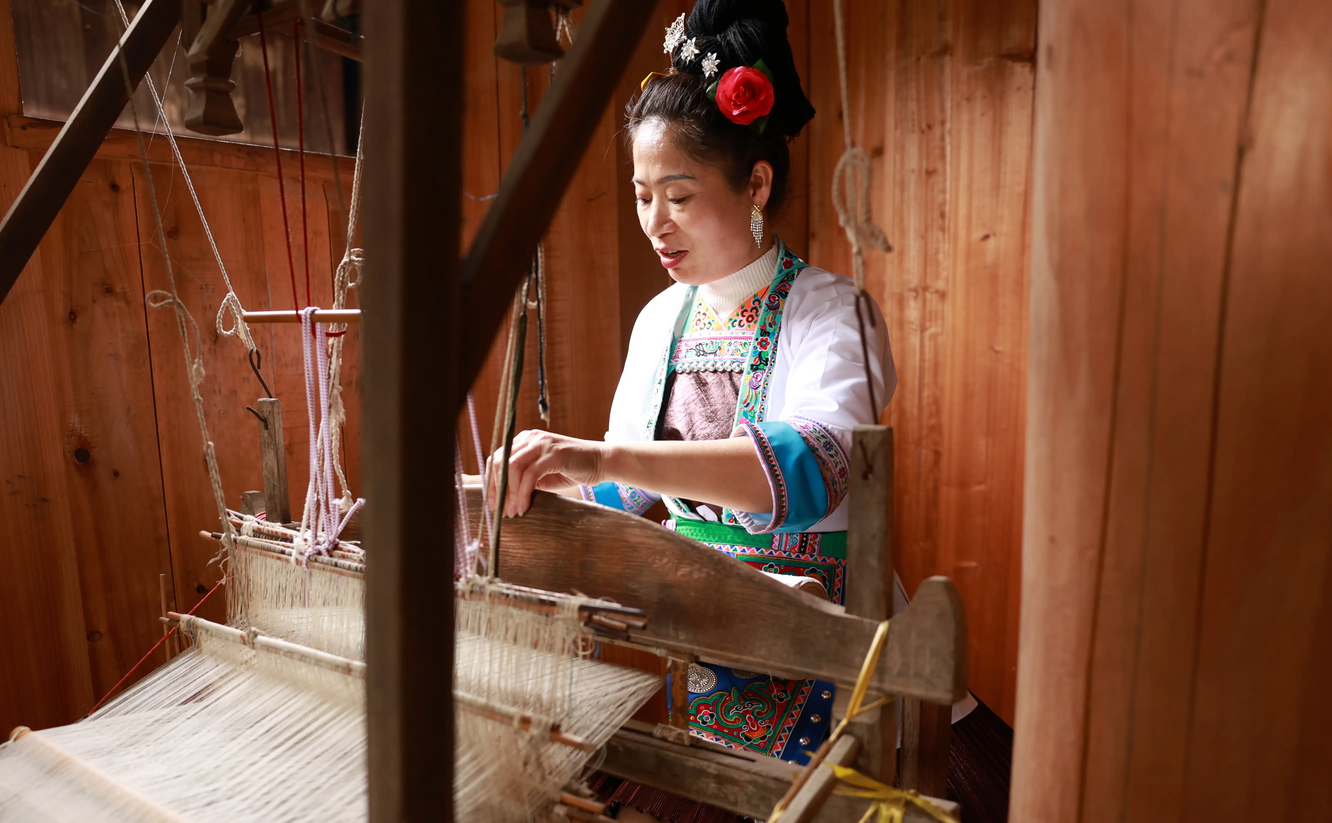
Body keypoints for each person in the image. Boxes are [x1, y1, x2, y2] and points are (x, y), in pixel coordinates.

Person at [495, 1, 902, 819]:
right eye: (642, 195)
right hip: (702, 637)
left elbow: (812, 470)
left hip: (826, 641)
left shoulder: (834, 313)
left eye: (677, 195)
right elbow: (627, 493)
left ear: (756, 183)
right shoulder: (660, 320)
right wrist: (531, 485)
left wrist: (601, 456)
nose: (654, 222)